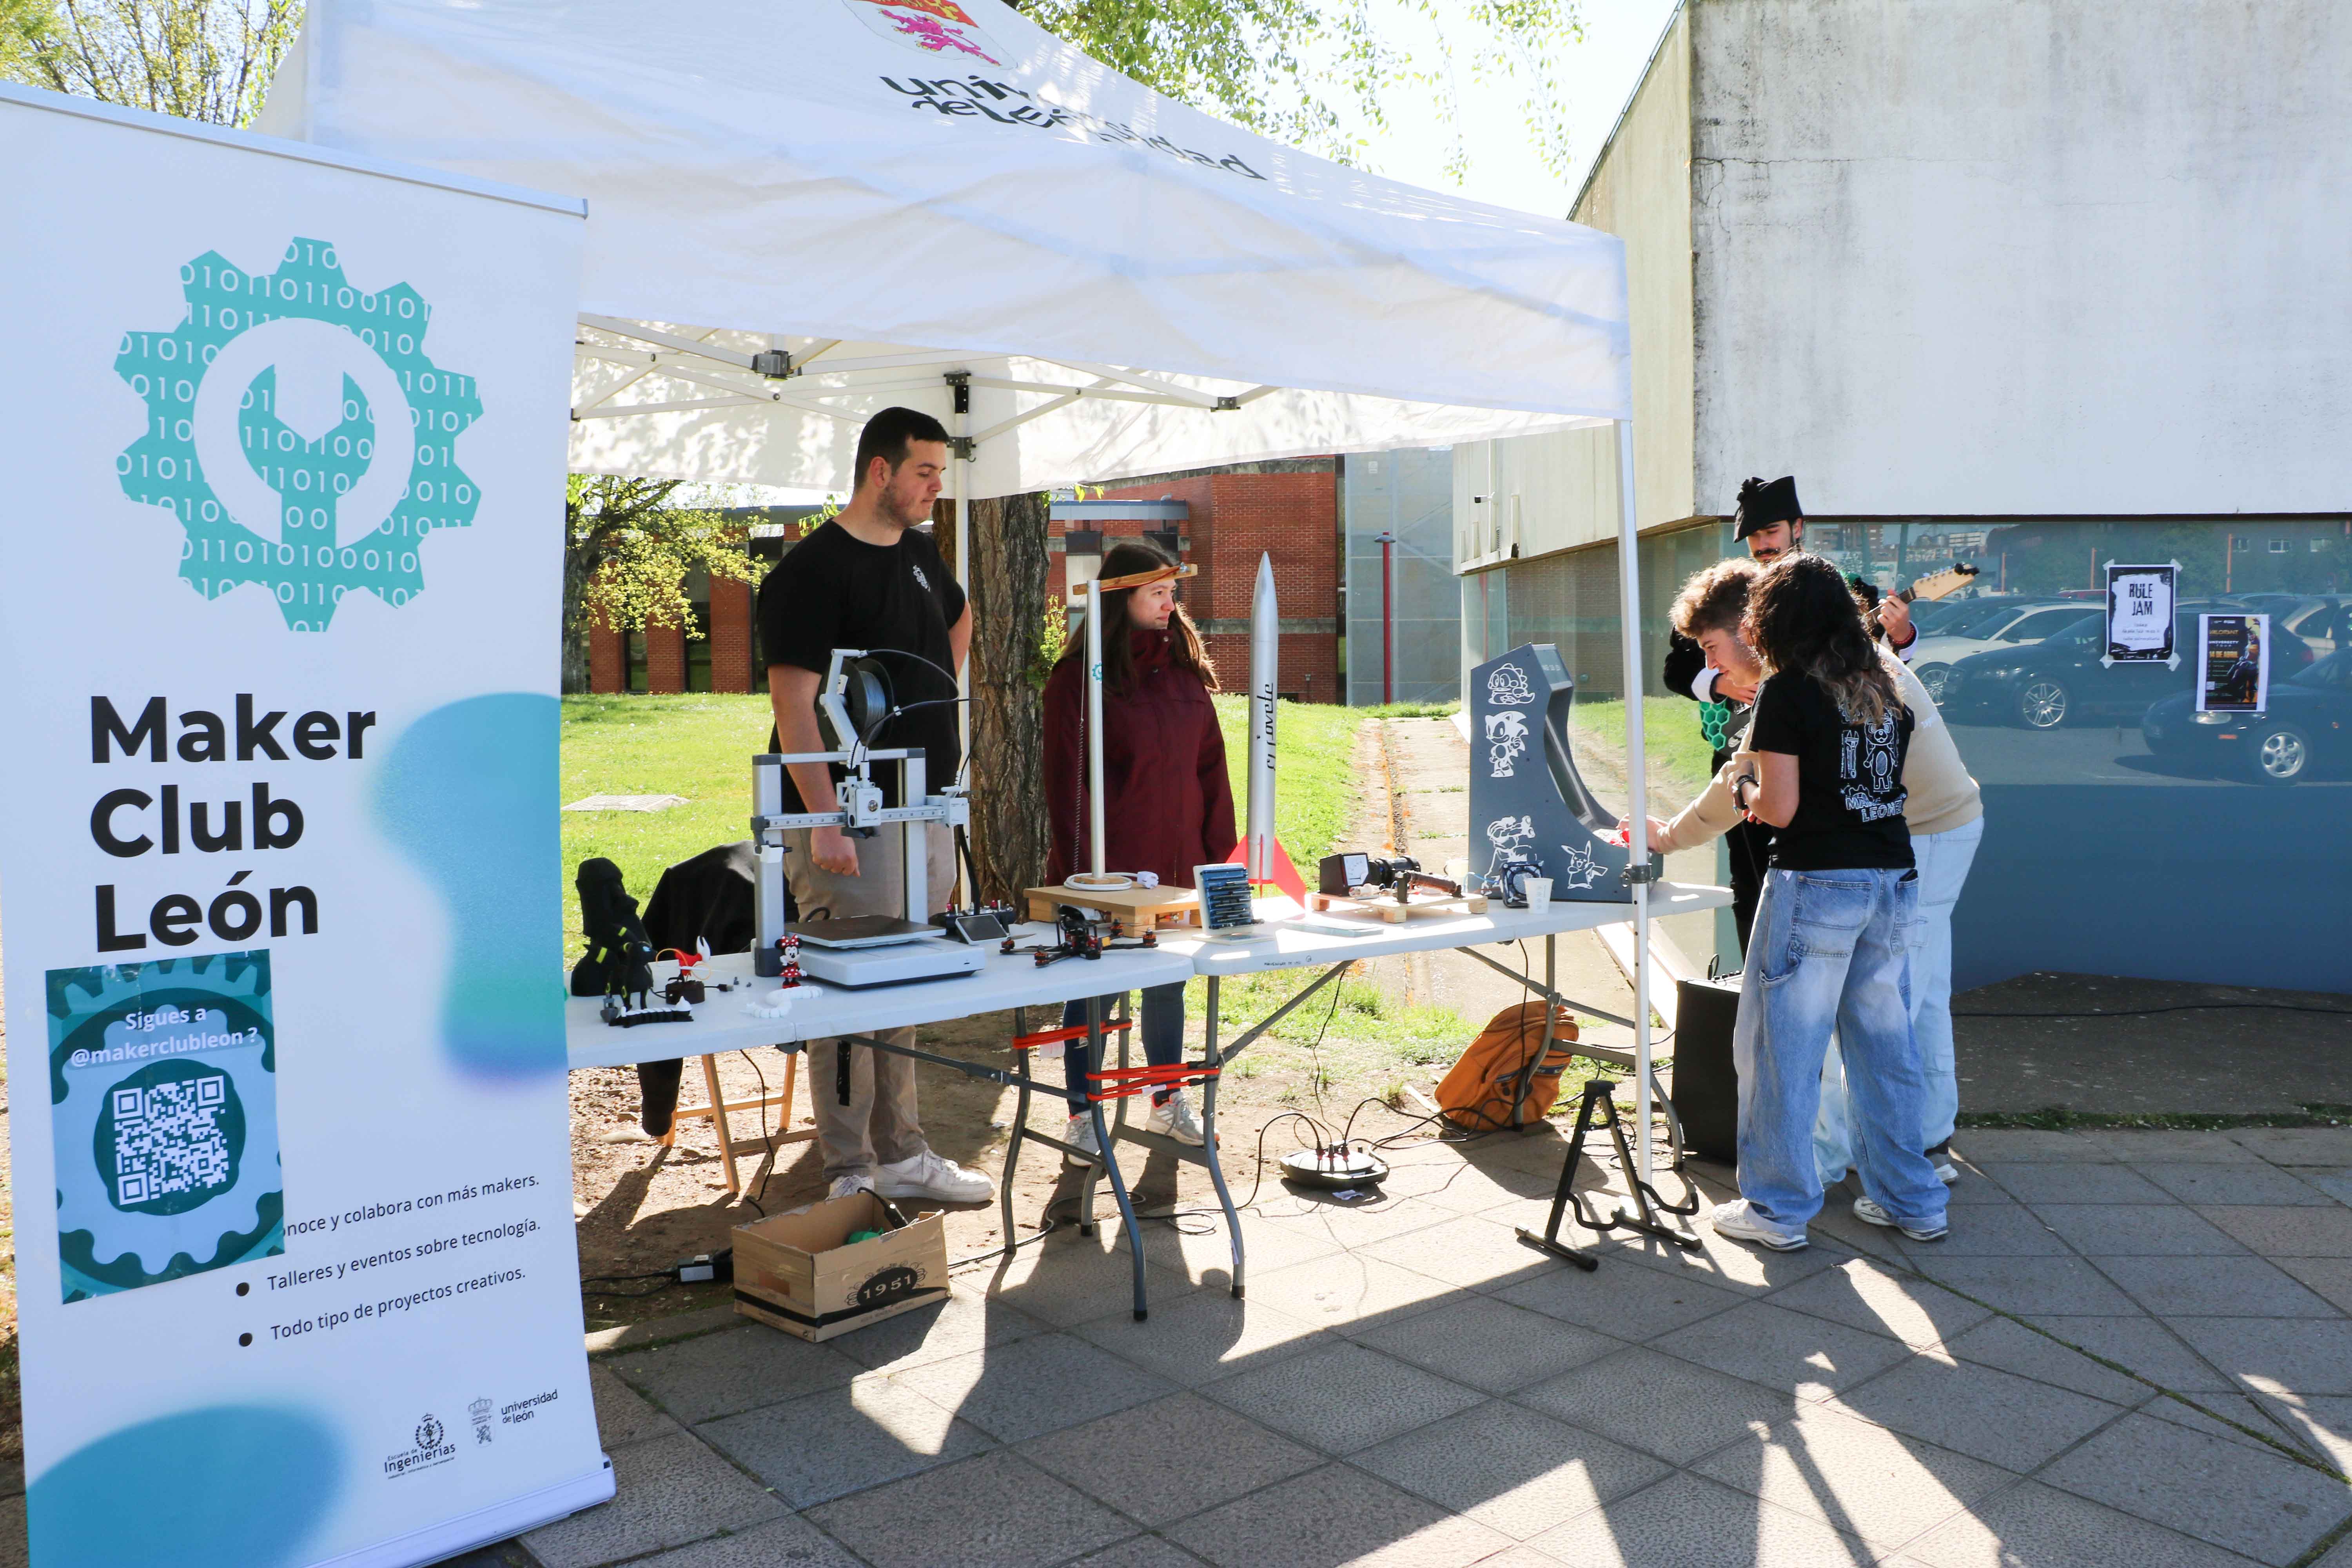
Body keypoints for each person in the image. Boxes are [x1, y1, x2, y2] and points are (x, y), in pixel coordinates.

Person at [1645, 577, 1984, 1189]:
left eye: (1712, 647)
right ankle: (1921, 1150)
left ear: (1751, 628)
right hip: (1937, 829)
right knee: (1916, 995)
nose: (1713, 666)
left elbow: (1749, 786)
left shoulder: (1794, 679)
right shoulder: (1848, 653)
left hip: (1912, 837)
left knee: (1860, 1015)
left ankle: (1832, 1162)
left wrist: (1666, 837)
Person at [757, 406, 994, 1206]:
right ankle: (849, 1171)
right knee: (851, 994)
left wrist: (931, 691)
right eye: (925, 472)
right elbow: (793, 703)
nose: (936, 487)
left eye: (941, 473)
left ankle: (903, 1154)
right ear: (880, 471)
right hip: (853, 816)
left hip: (923, 806)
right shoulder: (812, 570)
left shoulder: (922, 555)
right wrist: (825, 817)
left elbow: (958, 616)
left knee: (907, 986)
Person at [1705, 552, 1947, 1251]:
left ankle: (1777, 1210)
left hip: (1816, 884)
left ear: (1775, 620)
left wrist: (1743, 785)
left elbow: (1779, 809)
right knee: (1886, 1050)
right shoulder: (1883, 685)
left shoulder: (1789, 691)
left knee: (1783, 1052)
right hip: (1891, 880)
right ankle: (1913, 1201)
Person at [1042, 539, 1236, 1154]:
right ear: (1121, 598)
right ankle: (1083, 1114)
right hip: (1108, 873)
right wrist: (1081, 878)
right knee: (1094, 990)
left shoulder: (1184, 676)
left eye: (1172, 593)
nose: (1169, 604)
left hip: (1178, 869)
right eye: (1157, 593)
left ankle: (1166, 1100)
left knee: (1169, 984)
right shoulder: (1077, 681)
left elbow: (1212, 771)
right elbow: (1066, 786)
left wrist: (1222, 866)